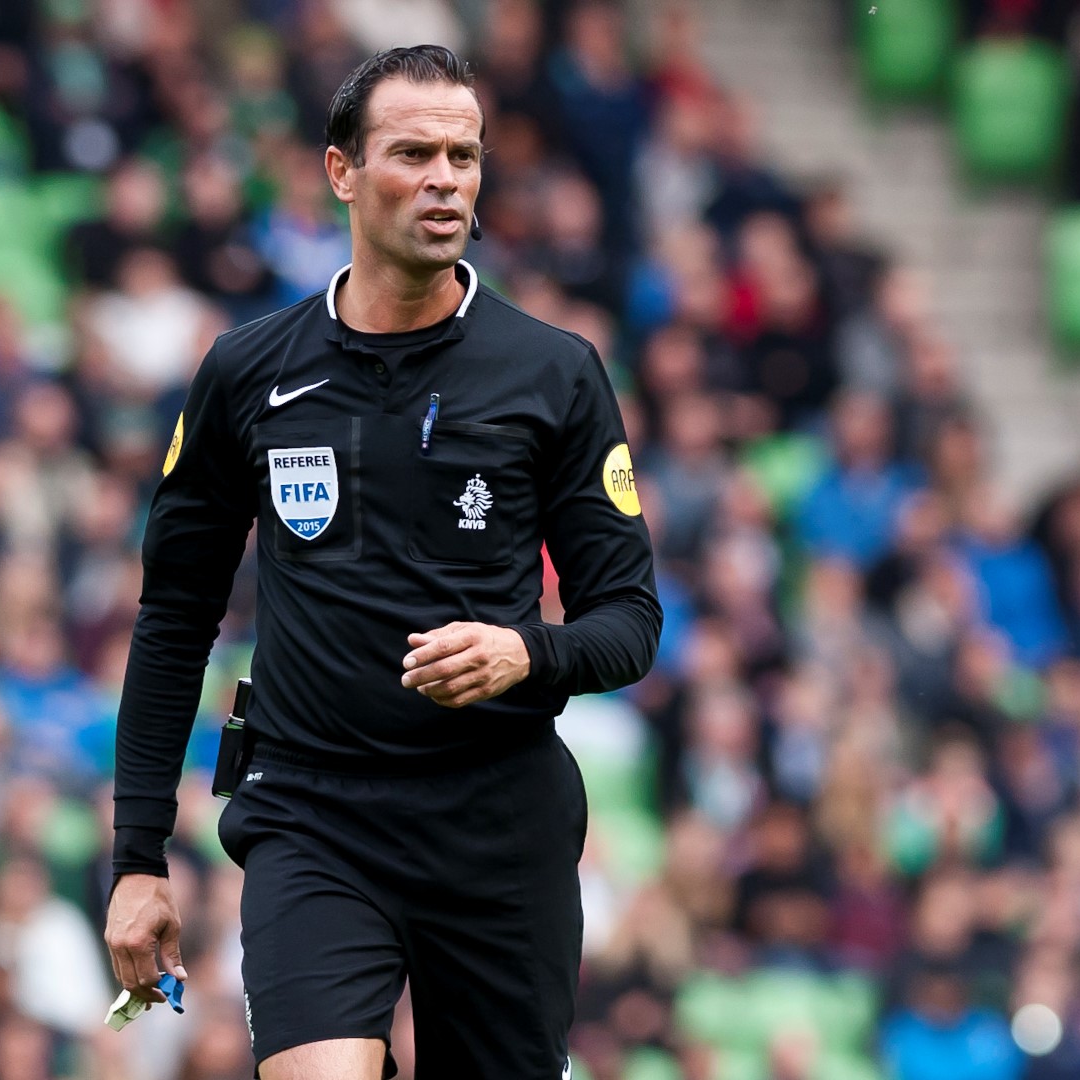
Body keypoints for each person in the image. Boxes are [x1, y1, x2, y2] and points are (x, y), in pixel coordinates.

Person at [103, 45, 663, 1080]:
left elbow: (629, 620)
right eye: (413, 154)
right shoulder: (248, 372)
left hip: (497, 821)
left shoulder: (555, 372)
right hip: (313, 813)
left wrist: (526, 653)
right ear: (342, 172)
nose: (445, 179)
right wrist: (138, 858)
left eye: (464, 155)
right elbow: (175, 616)